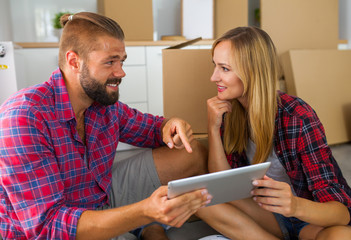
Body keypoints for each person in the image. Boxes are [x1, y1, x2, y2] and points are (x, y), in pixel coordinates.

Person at [0, 12, 212, 240]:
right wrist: (143, 213)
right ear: (74, 62)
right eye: (110, 62)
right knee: (147, 226)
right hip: (56, 226)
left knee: (191, 152)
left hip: (98, 198)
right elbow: (49, 228)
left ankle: (149, 227)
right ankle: (149, 226)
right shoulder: (24, 116)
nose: (121, 72)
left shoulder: (103, 105)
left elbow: (152, 129)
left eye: (122, 61)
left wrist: (170, 125)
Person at [196, 26, 351, 240]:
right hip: (269, 215)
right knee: (197, 199)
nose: (213, 77)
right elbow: (223, 183)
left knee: (344, 236)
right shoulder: (229, 111)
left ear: (252, 72)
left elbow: (341, 213)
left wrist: (294, 205)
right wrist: (213, 127)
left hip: (310, 217)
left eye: (224, 68)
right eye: (215, 66)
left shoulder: (298, 117)